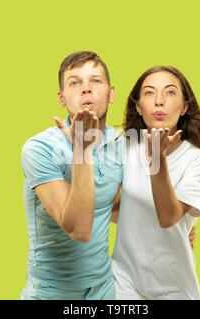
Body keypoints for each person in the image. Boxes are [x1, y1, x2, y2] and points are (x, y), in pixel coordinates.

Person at [110, 65, 200, 300]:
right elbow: (111, 209)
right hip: (124, 279)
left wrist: (158, 159)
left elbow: (168, 218)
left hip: (174, 286)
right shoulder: (123, 146)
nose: (159, 101)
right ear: (138, 106)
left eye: (170, 92)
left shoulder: (199, 159)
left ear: (184, 106)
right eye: (149, 92)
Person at [20, 51, 122, 300]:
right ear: (61, 98)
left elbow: (119, 209)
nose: (86, 89)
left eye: (95, 81)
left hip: (104, 290)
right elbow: (79, 229)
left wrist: (176, 232)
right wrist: (82, 150)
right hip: (51, 292)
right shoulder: (38, 149)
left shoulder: (122, 142)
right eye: (75, 82)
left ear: (111, 93)